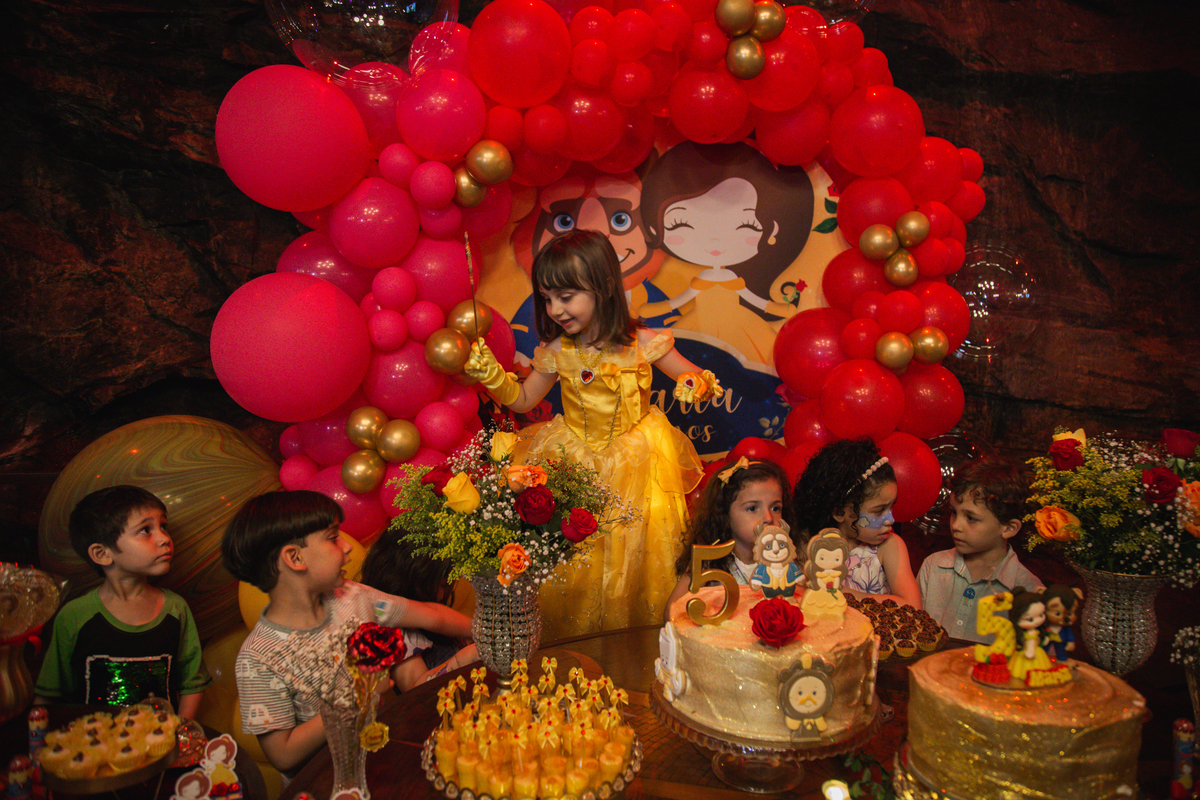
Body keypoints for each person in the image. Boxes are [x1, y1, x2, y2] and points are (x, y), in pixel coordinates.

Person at [464, 229, 720, 638]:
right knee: (577, 551)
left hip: (638, 463)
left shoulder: (643, 342)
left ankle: (635, 644)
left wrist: (694, 385)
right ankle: (575, 645)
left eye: (566, 297)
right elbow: (524, 400)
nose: (555, 309)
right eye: (547, 299)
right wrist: (493, 376)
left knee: (636, 549)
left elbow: (694, 375)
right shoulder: (558, 350)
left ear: (603, 287)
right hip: (575, 460)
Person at [222, 490, 474, 778]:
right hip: (329, 781)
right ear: (294, 557)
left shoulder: (353, 597)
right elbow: (283, 754)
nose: (347, 547)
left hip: (386, 760)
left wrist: (485, 632)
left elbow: (431, 614)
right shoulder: (258, 657)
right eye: (332, 538)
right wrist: (357, 698)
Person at [34, 485, 209, 718]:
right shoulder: (74, 615)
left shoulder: (176, 609)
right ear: (102, 554)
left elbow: (192, 684)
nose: (165, 539)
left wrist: (180, 730)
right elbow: (49, 696)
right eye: (145, 530)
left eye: (163, 526)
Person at [638, 141, 813, 367]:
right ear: (656, 228)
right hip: (698, 327)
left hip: (740, 326)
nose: (715, 240)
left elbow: (755, 301)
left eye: (746, 225)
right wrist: (659, 309)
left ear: (771, 230)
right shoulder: (702, 280)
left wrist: (776, 308)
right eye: (682, 224)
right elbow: (679, 301)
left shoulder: (732, 279)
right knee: (686, 365)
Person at [917, 458, 1044, 644]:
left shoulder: (1028, 590)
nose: (956, 525)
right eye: (954, 512)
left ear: (1009, 528)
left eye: (971, 518)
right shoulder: (933, 566)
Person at [793, 439, 921, 608]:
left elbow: (913, 606)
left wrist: (840, 592)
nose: (891, 519)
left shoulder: (889, 546)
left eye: (891, 506)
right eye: (879, 511)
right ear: (840, 512)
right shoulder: (808, 547)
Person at [665, 459, 795, 613]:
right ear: (724, 514)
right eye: (752, 508)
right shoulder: (709, 563)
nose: (768, 517)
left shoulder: (785, 560)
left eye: (775, 508)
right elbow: (672, 612)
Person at [358, 530, 476, 677]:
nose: (444, 593)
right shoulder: (391, 633)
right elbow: (417, 685)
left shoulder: (428, 607)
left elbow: (438, 618)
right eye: (443, 585)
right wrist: (466, 657)